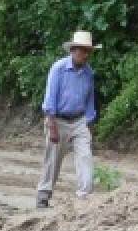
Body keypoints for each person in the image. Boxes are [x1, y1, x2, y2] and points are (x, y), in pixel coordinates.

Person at [36, 31, 100, 208]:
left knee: (85, 157)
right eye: (82, 51)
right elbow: (50, 99)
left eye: (88, 51)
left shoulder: (88, 73)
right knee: (53, 159)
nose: (86, 55)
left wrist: (88, 122)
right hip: (58, 119)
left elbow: (89, 101)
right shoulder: (58, 68)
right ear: (73, 50)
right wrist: (52, 126)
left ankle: (84, 197)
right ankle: (43, 194)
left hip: (79, 120)